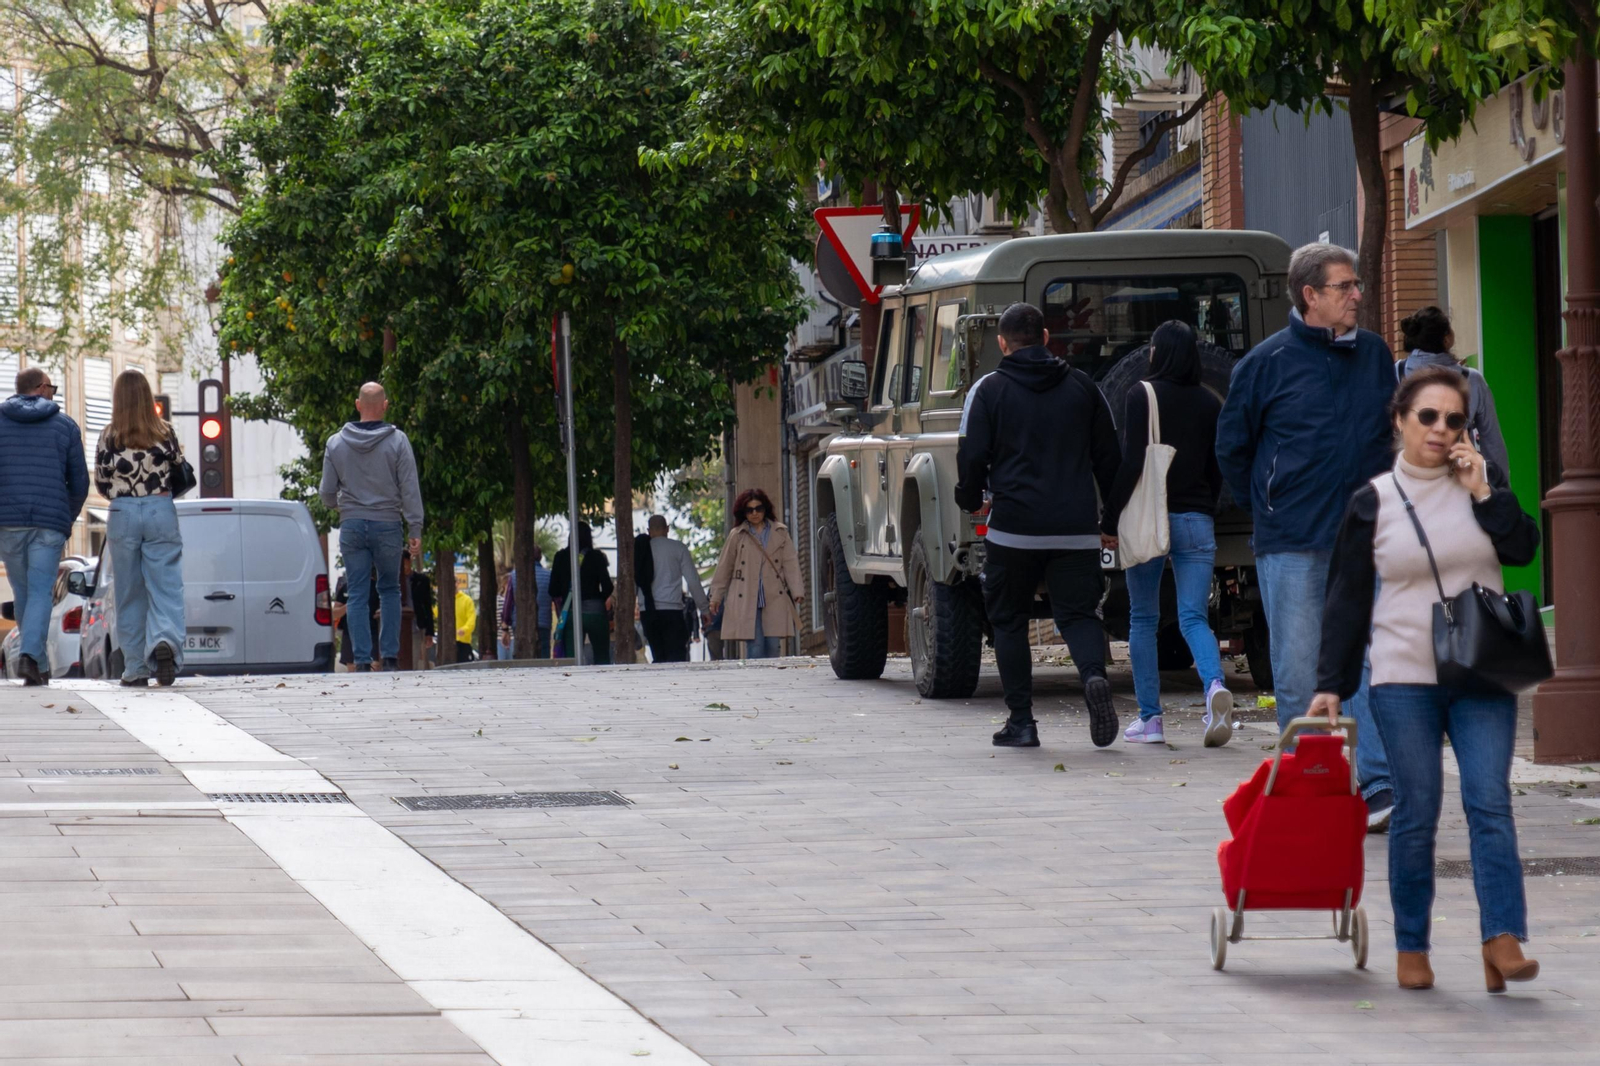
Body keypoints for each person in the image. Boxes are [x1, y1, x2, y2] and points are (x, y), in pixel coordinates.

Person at [1311, 366, 1541, 993]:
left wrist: (1487, 494)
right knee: (1416, 811)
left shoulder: (1481, 488)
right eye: (1429, 417)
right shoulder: (1373, 501)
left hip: (1483, 671)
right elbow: (1347, 600)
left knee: (1489, 801)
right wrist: (1331, 681)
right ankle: (1412, 943)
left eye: (1455, 420)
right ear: (1400, 421)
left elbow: (1523, 550)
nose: (1442, 430)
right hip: (1403, 675)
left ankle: (1502, 937)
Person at [1215, 243, 1398, 830]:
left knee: (1371, 662)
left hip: (1368, 539)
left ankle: (1377, 786)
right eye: (1345, 287)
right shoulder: (1264, 365)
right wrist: (1270, 505)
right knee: (1296, 670)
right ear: (1310, 295)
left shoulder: (1374, 355)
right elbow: (1232, 449)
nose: (1357, 295)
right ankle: (1307, 781)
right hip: (1292, 540)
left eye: (1357, 284)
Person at [954, 302, 1121, 749]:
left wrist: (971, 500)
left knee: (1009, 620)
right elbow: (1112, 459)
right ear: (1047, 338)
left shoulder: (987, 391)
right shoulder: (1085, 387)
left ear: (1003, 344)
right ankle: (1092, 679)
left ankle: (1022, 722)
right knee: (1079, 615)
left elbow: (970, 456)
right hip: (1075, 527)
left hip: (1013, 529)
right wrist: (1110, 520)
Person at [1100, 321, 1233, 748]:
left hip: (1151, 519)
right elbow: (1217, 469)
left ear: (1157, 353)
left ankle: (1151, 720)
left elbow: (1133, 463)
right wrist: (1205, 506)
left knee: (1144, 618)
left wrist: (1109, 519)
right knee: (1194, 616)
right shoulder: (1209, 402)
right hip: (1197, 519)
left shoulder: (1142, 394)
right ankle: (1214, 687)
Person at [318, 382, 424, 672]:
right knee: (390, 590)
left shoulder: (335, 443)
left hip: (352, 525)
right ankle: (389, 658)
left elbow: (326, 493)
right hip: (388, 524)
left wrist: (344, 506)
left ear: (357, 405)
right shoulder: (399, 441)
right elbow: (410, 489)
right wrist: (415, 529)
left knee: (358, 593)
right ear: (385, 406)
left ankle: (362, 661)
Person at [94, 369, 187, 687]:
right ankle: (164, 643)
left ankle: (134, 667)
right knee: (165, 587)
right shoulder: (164, 431)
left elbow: (103, 482)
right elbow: (178, 470)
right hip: (160, 509)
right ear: (149, 398)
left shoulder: (109, 435)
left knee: (128, 592)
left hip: (123, 513)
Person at [0, 366, 87, 686]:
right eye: (52, 386)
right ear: (39, 388)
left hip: (8, 524)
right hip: (48, 523)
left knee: (24, 593)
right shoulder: (65, 426)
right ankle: (29, 655)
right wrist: (66, 518)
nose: (54, 392)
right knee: (39, 591)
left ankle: (35, 663)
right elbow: (79, 482)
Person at [1400, 306, 1511, 491]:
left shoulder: (1394, 373)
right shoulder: (1472, 380)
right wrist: (1500, 491)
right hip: (1457, 482)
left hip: (1406, 482)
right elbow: (1493, 444)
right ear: (1447, 339)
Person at [708, 489, 803, 659]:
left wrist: (797, 591)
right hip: (746, 596)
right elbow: (725, 567)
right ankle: (757, 682)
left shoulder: (780, 532)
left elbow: (790, 563)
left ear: (765, 508)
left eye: (758, 508)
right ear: (743, 512)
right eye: (749, 510)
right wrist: (716, 597)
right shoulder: (737, 535)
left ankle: (772, 681)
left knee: (773, 645)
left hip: (774, 595)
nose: (754, 513)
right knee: (756, 645)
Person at [639, 515, 709, 663]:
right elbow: (693, 581)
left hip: (647, 611)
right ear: (667, 529)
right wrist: (704, 609)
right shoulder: (678, 548)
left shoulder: (641, 550)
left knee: (658, 656)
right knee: (676, 658)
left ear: (648, 530)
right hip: (672, 611)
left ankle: (660, 684)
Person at [549, 522, 614, 664]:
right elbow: (608, 586)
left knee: (573, 659)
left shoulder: (560, 557)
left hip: (572, 612)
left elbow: (553, 589)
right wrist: (598, 598)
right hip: (596, 612)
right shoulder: (597, 557)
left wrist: (568, 594)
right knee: (602, 657)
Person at [334, 570, 380, 671]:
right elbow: (335, 613)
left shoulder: (377, 587)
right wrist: (350, 605)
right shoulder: (346, 587)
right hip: (350, 632)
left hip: (373, 632)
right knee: (352, 667)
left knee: (375, 665)